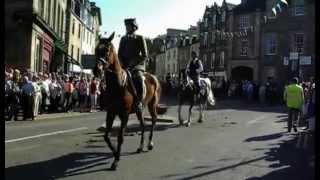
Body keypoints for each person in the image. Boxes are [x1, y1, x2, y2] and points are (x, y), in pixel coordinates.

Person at [118, 18, 148, 112]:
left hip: (137, 66)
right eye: (126, 26)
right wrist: (121, 63)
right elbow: (119, 53)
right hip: (124, 65)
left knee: (138, 79)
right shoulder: (123, 39)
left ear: (134, 27)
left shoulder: (140, 38)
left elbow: (145, 55)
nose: (127, 28)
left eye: (129, 26)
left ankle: (139, 102)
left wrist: (133, 63)